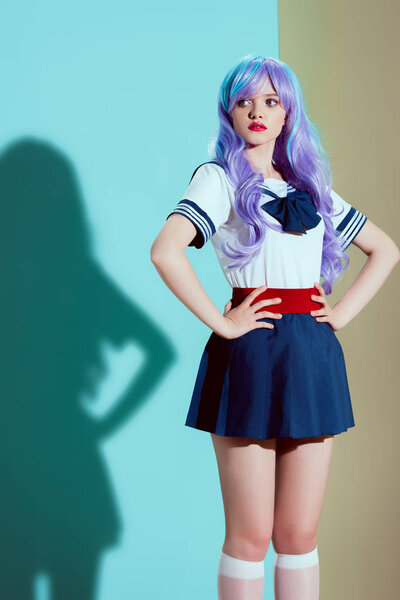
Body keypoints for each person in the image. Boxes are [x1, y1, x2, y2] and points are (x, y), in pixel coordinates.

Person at [150, 54, 400, 600]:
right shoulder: (218, 178)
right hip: (251, 352)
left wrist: (341, 314)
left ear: (289, 112)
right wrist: (222, 320)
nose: (257, 112)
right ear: (229, 113)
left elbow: (385, 249)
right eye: (243, 101)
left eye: (270, 100)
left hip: (311, 351)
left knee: (298, 533)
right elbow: (166, 251)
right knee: (250, 535)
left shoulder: (309, 186)